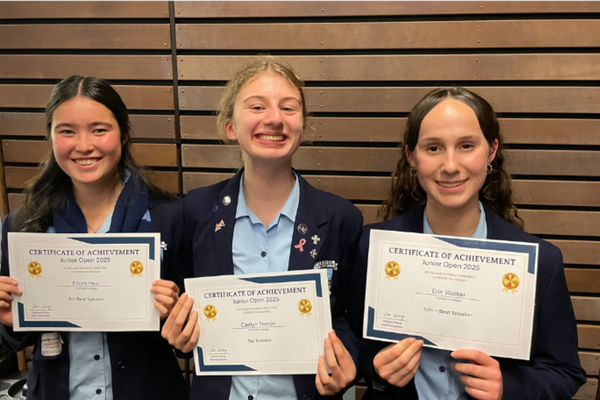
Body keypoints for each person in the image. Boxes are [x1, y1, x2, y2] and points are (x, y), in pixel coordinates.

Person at [347, 87, 586, 400]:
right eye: (433, 148)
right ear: (412, 157)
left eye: (466, 146)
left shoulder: (542, 263)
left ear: (491, 151)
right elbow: (353, 340)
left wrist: (508, 387)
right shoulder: (373, 248)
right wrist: (376, 367)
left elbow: (565, 372)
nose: (450, 165)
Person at [161, 56, 362, 400]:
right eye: (257, 106)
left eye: (288, 107)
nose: (274, 119)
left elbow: (344, 316)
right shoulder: (195, 212)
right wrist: (179, 336)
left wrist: (347, 361)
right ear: (230, 126)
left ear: (303, 127)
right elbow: (184, 307)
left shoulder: (341, 218)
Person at [0, 75, 188, 400]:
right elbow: (9, 342)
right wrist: (8, 322)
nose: (84, 145)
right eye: (67, 131)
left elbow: (195, 340)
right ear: (50, 136)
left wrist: (175, 316)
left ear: (124, 134)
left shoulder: (171, 218)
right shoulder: (23, 227)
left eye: (99, 130)